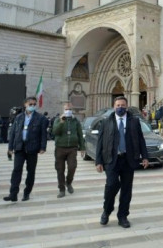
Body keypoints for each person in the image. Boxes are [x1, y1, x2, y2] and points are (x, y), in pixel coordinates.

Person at [95, 96, 149, 228]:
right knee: (111, 185)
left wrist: (145, 157)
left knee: (126, 190)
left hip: (128, 160)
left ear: (127, 106)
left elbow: (140, 139)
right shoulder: (106, 122)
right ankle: (106, 211)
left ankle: (123, 216)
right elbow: (100, 142)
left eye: (123, 105)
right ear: (114, 106)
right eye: (118, 105)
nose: (120, 107)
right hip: (111, 160)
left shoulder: (134, 121)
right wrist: (98, 161)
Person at [4, 97, 48, 202]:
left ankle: (27, 193)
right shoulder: (18, 117)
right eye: (30, 104)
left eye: (34, 104)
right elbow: (13, 133)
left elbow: (43, 134)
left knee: (31, 171)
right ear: (25, 104)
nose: (32, 106)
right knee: (16, 170)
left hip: (32, 148)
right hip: (19, 147)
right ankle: (13, 194)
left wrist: (43, 147)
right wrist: (10, 147)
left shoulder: (40, 118)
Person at [52, 102, 85, 198]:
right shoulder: (58, 120)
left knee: (72, 167)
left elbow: (80, 134)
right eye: (66, 109)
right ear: (63, 110)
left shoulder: (75, 121)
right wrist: (61, 122)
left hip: (72, 148)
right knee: (60, 169)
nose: (68, 111)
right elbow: (55, 132)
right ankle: (61, 189)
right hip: (60, 148)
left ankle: (68, 182)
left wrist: (82, 148)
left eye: (70, 109)